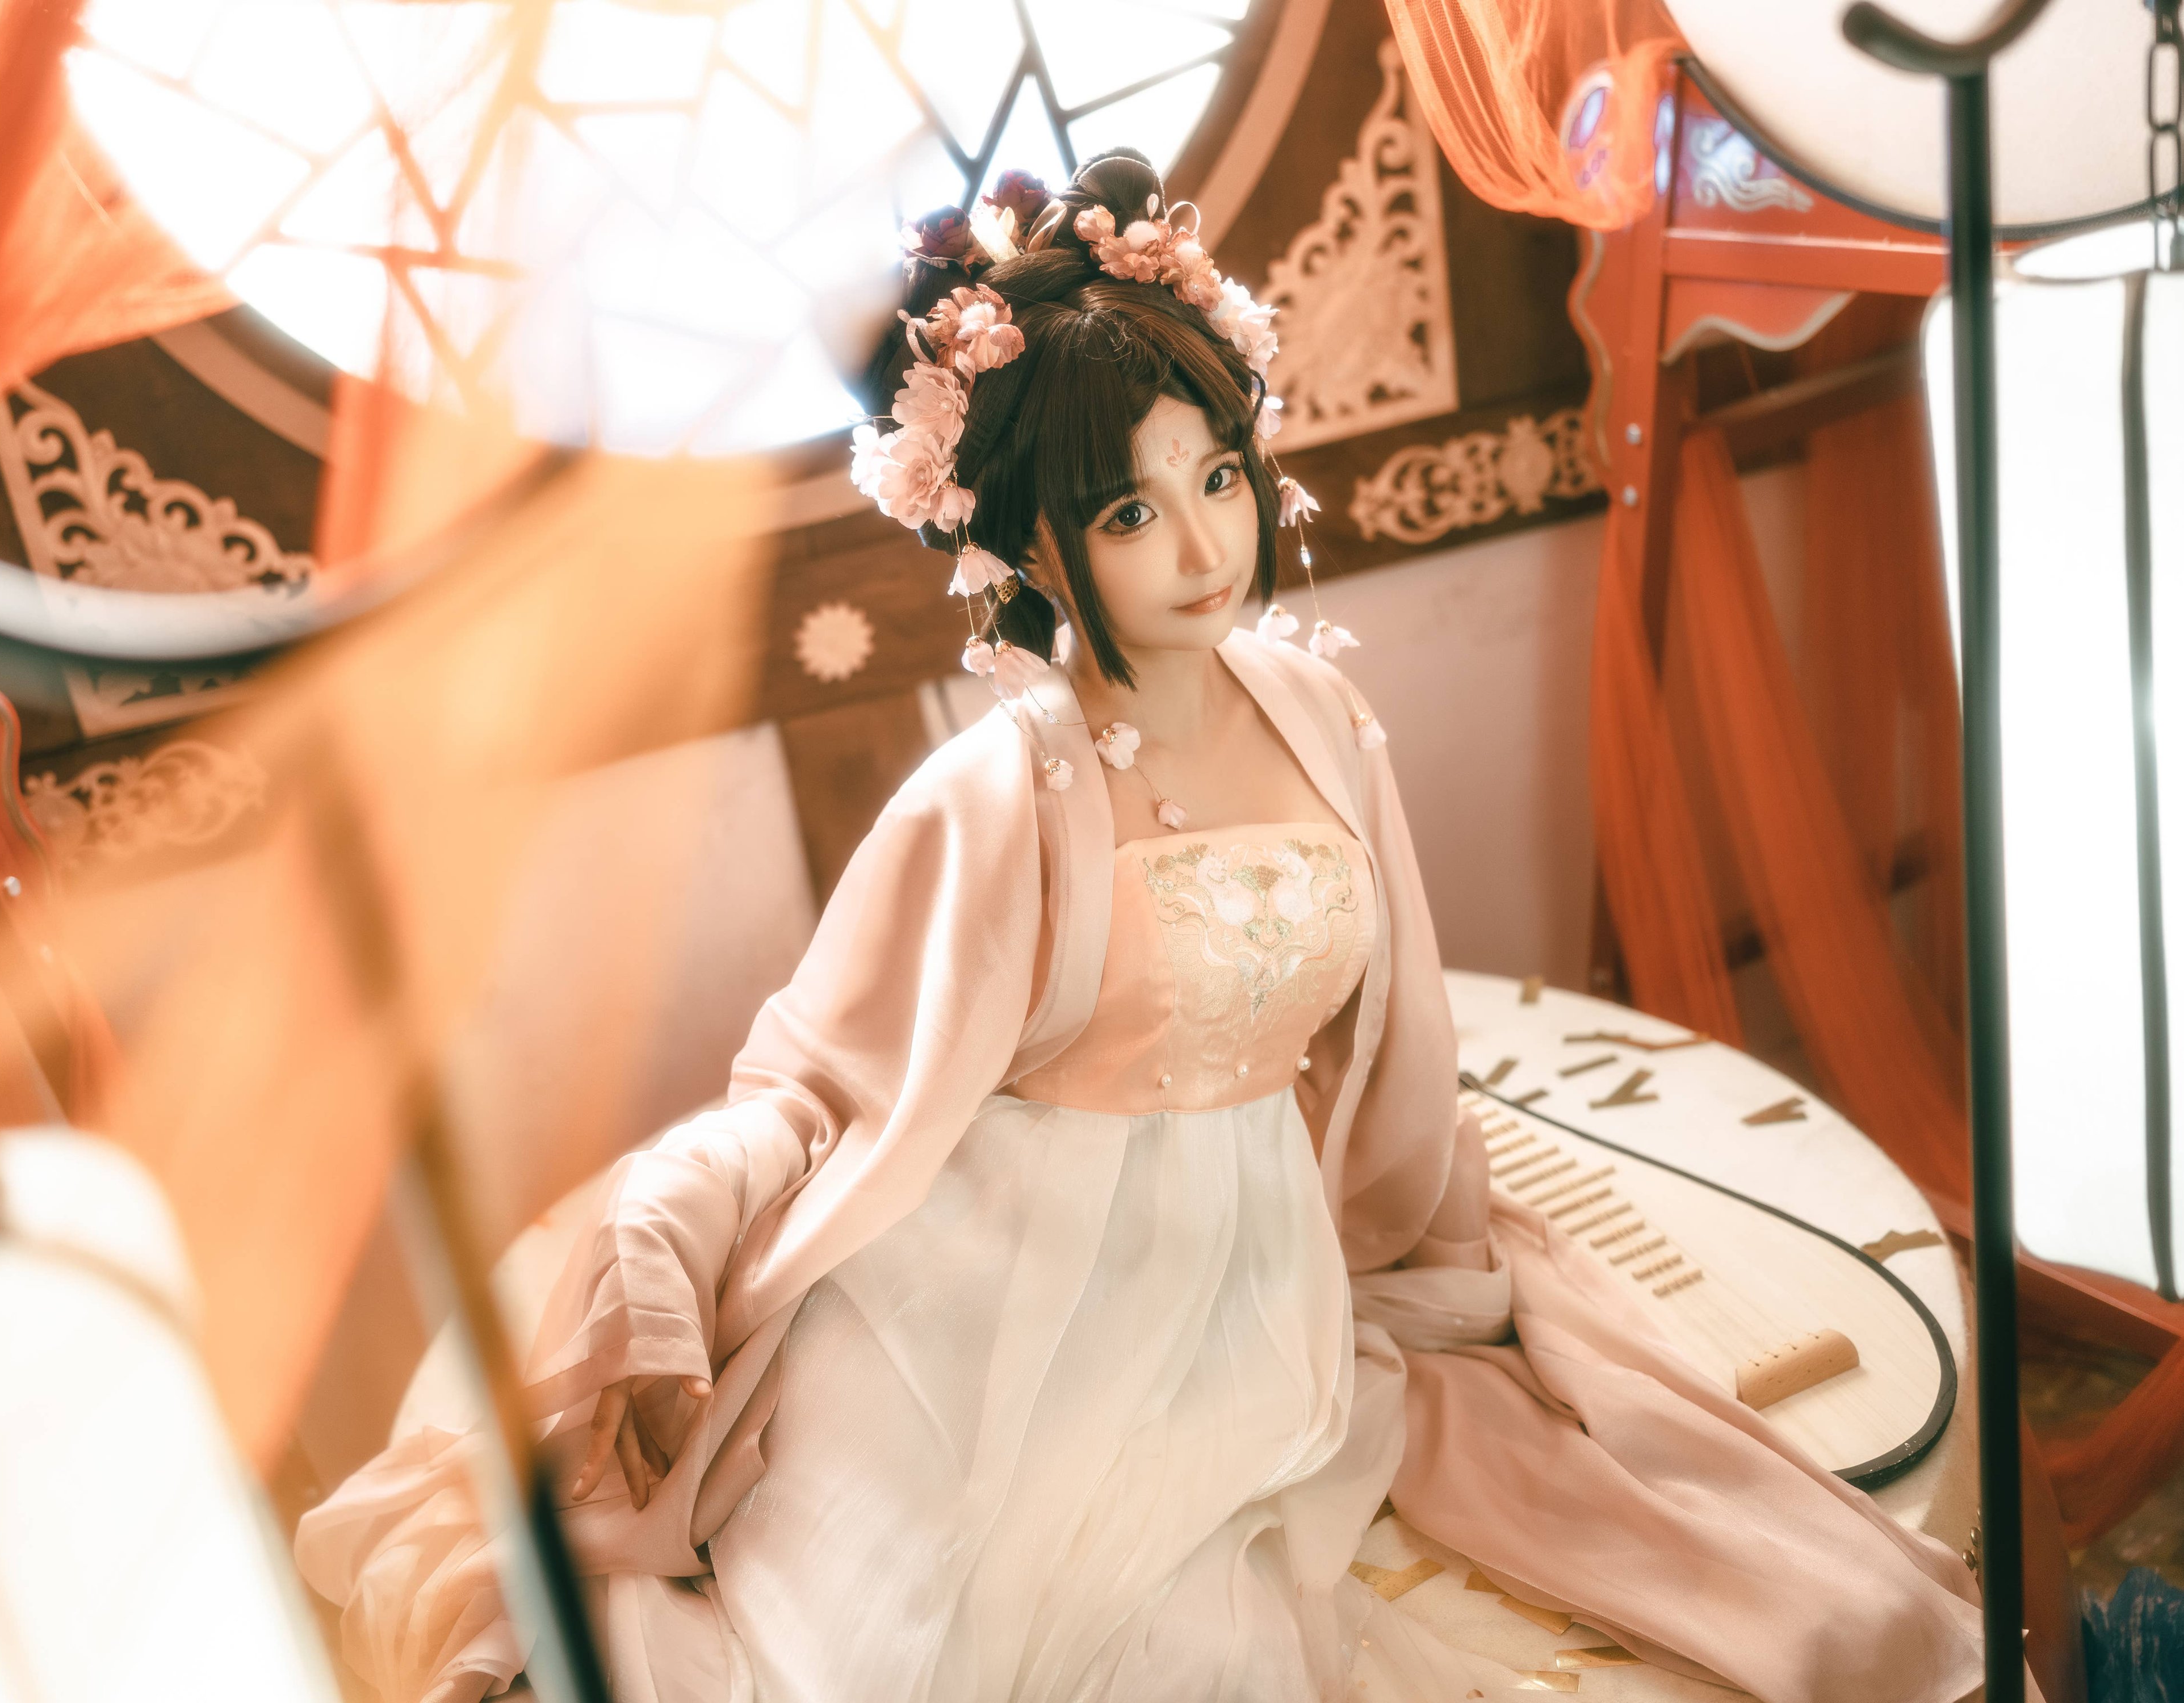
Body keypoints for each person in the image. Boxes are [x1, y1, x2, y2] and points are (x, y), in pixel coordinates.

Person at [295, 150, 1984, 1703]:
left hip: (1250, 1259)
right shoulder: (995, 795)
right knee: (917, 1640)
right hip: (999, 1278)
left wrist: (1440, 1250)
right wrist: (675, 1220)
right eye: (1126, 512)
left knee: (1203, 1585)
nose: (1201, 545)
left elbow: (1391, 1039)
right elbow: (819, 1079)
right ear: (1029, 542)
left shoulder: (1319, 715)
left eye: (1218, 478)